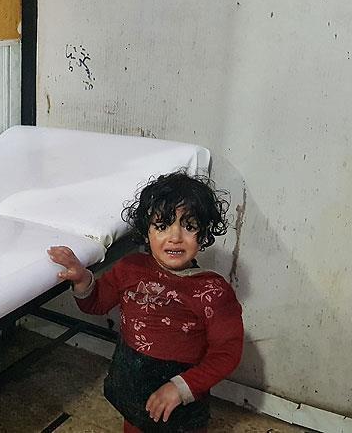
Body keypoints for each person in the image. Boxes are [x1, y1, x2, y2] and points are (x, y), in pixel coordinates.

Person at [48, 171, 243, 433]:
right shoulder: (130, 268)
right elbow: (96, 303)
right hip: (131, 388)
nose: (175, 237)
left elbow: (226, 353)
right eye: (162, 226)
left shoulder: (213, 291)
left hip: (179, 406)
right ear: (146, 230)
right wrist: (82, 278)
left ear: (204, 232)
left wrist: (181, 388)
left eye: (189, 226)